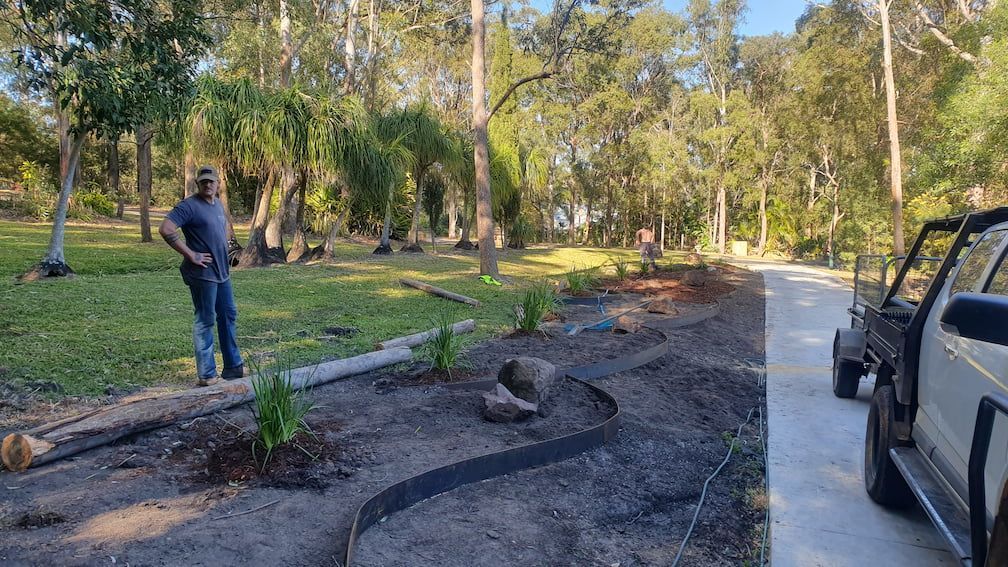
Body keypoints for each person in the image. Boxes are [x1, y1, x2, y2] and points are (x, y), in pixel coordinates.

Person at [159, 165, 245, 386]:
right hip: (202, 274)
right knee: (205, 320)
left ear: (218, 184)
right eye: (203, 181)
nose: (208, 185)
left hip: (222, 273)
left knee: (228, 315)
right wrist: (191, 254)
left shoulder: (217, 205)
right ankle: (207, 374)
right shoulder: (188, 206)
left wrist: (229, 252)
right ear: (198, 183)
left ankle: (233, 367)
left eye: (211, 181)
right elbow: (166, 229)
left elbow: (220, 232)